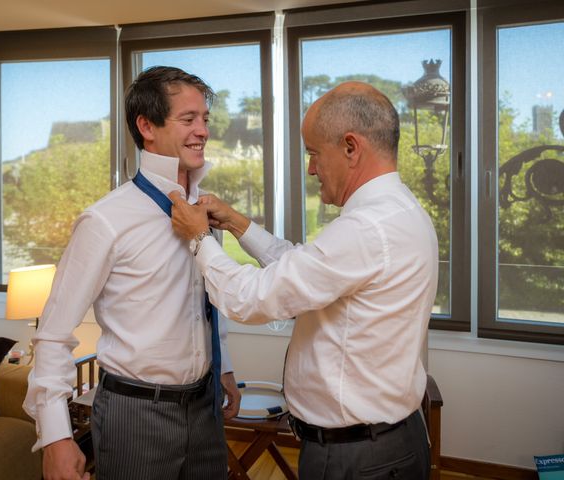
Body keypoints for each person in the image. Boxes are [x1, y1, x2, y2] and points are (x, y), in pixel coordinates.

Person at [169, 81, 438, 480]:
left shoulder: (367, 229)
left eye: (314, 154)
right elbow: (305, 268)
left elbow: (250, 298)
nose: (311, 168)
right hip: (382, 445)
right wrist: (240, 225)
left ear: (351, 147)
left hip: (358, 458)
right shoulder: (396, 210)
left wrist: (198, 239)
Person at [23, 66, 241, 480]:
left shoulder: (206, 212)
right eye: (188, 119)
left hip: (205, 407)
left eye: (205, 119)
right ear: (147, 126)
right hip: (136, 413)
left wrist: (224, 366)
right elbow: (52, 333)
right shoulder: (105, 220)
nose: (203, 131)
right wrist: (55, 436)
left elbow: (206, 298)